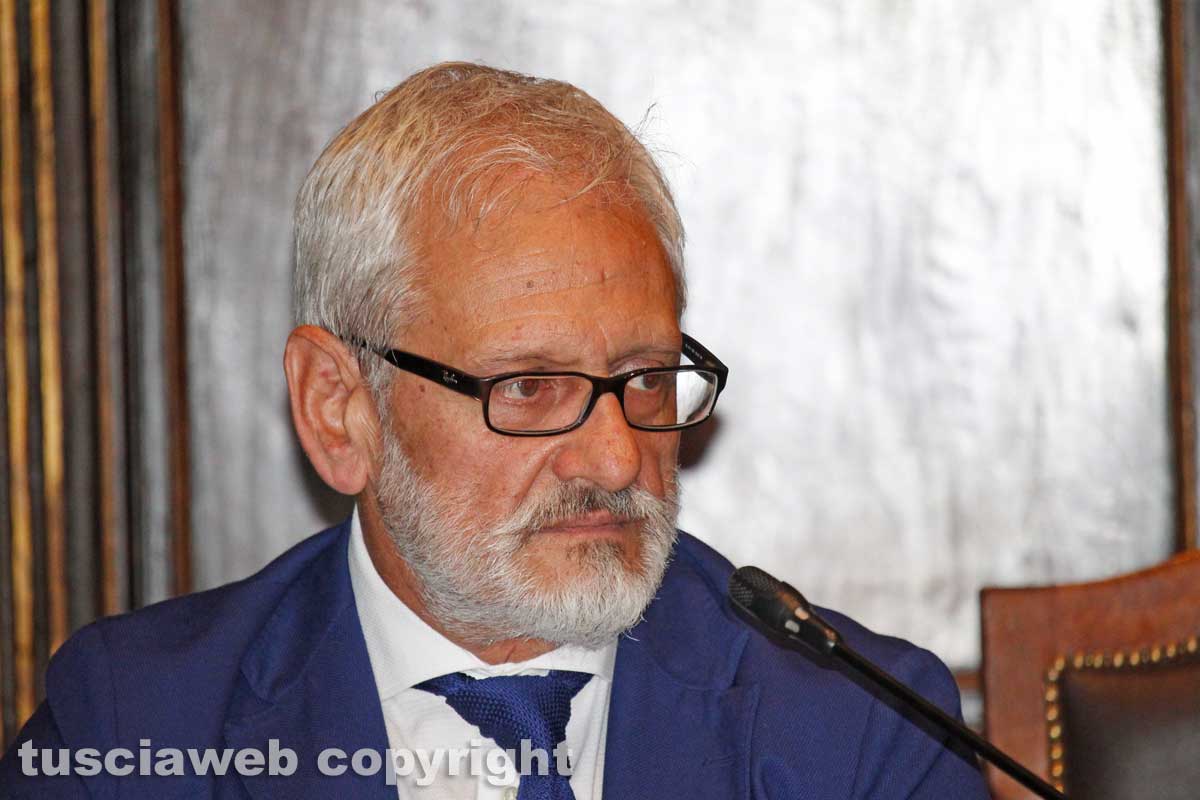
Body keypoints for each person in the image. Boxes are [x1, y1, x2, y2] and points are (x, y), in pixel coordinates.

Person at [1, 62, 990, 798]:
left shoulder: (859, 734)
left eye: (646, 378)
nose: (617, 456)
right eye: (528, 386)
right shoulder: (134, 732)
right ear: (340, 407)